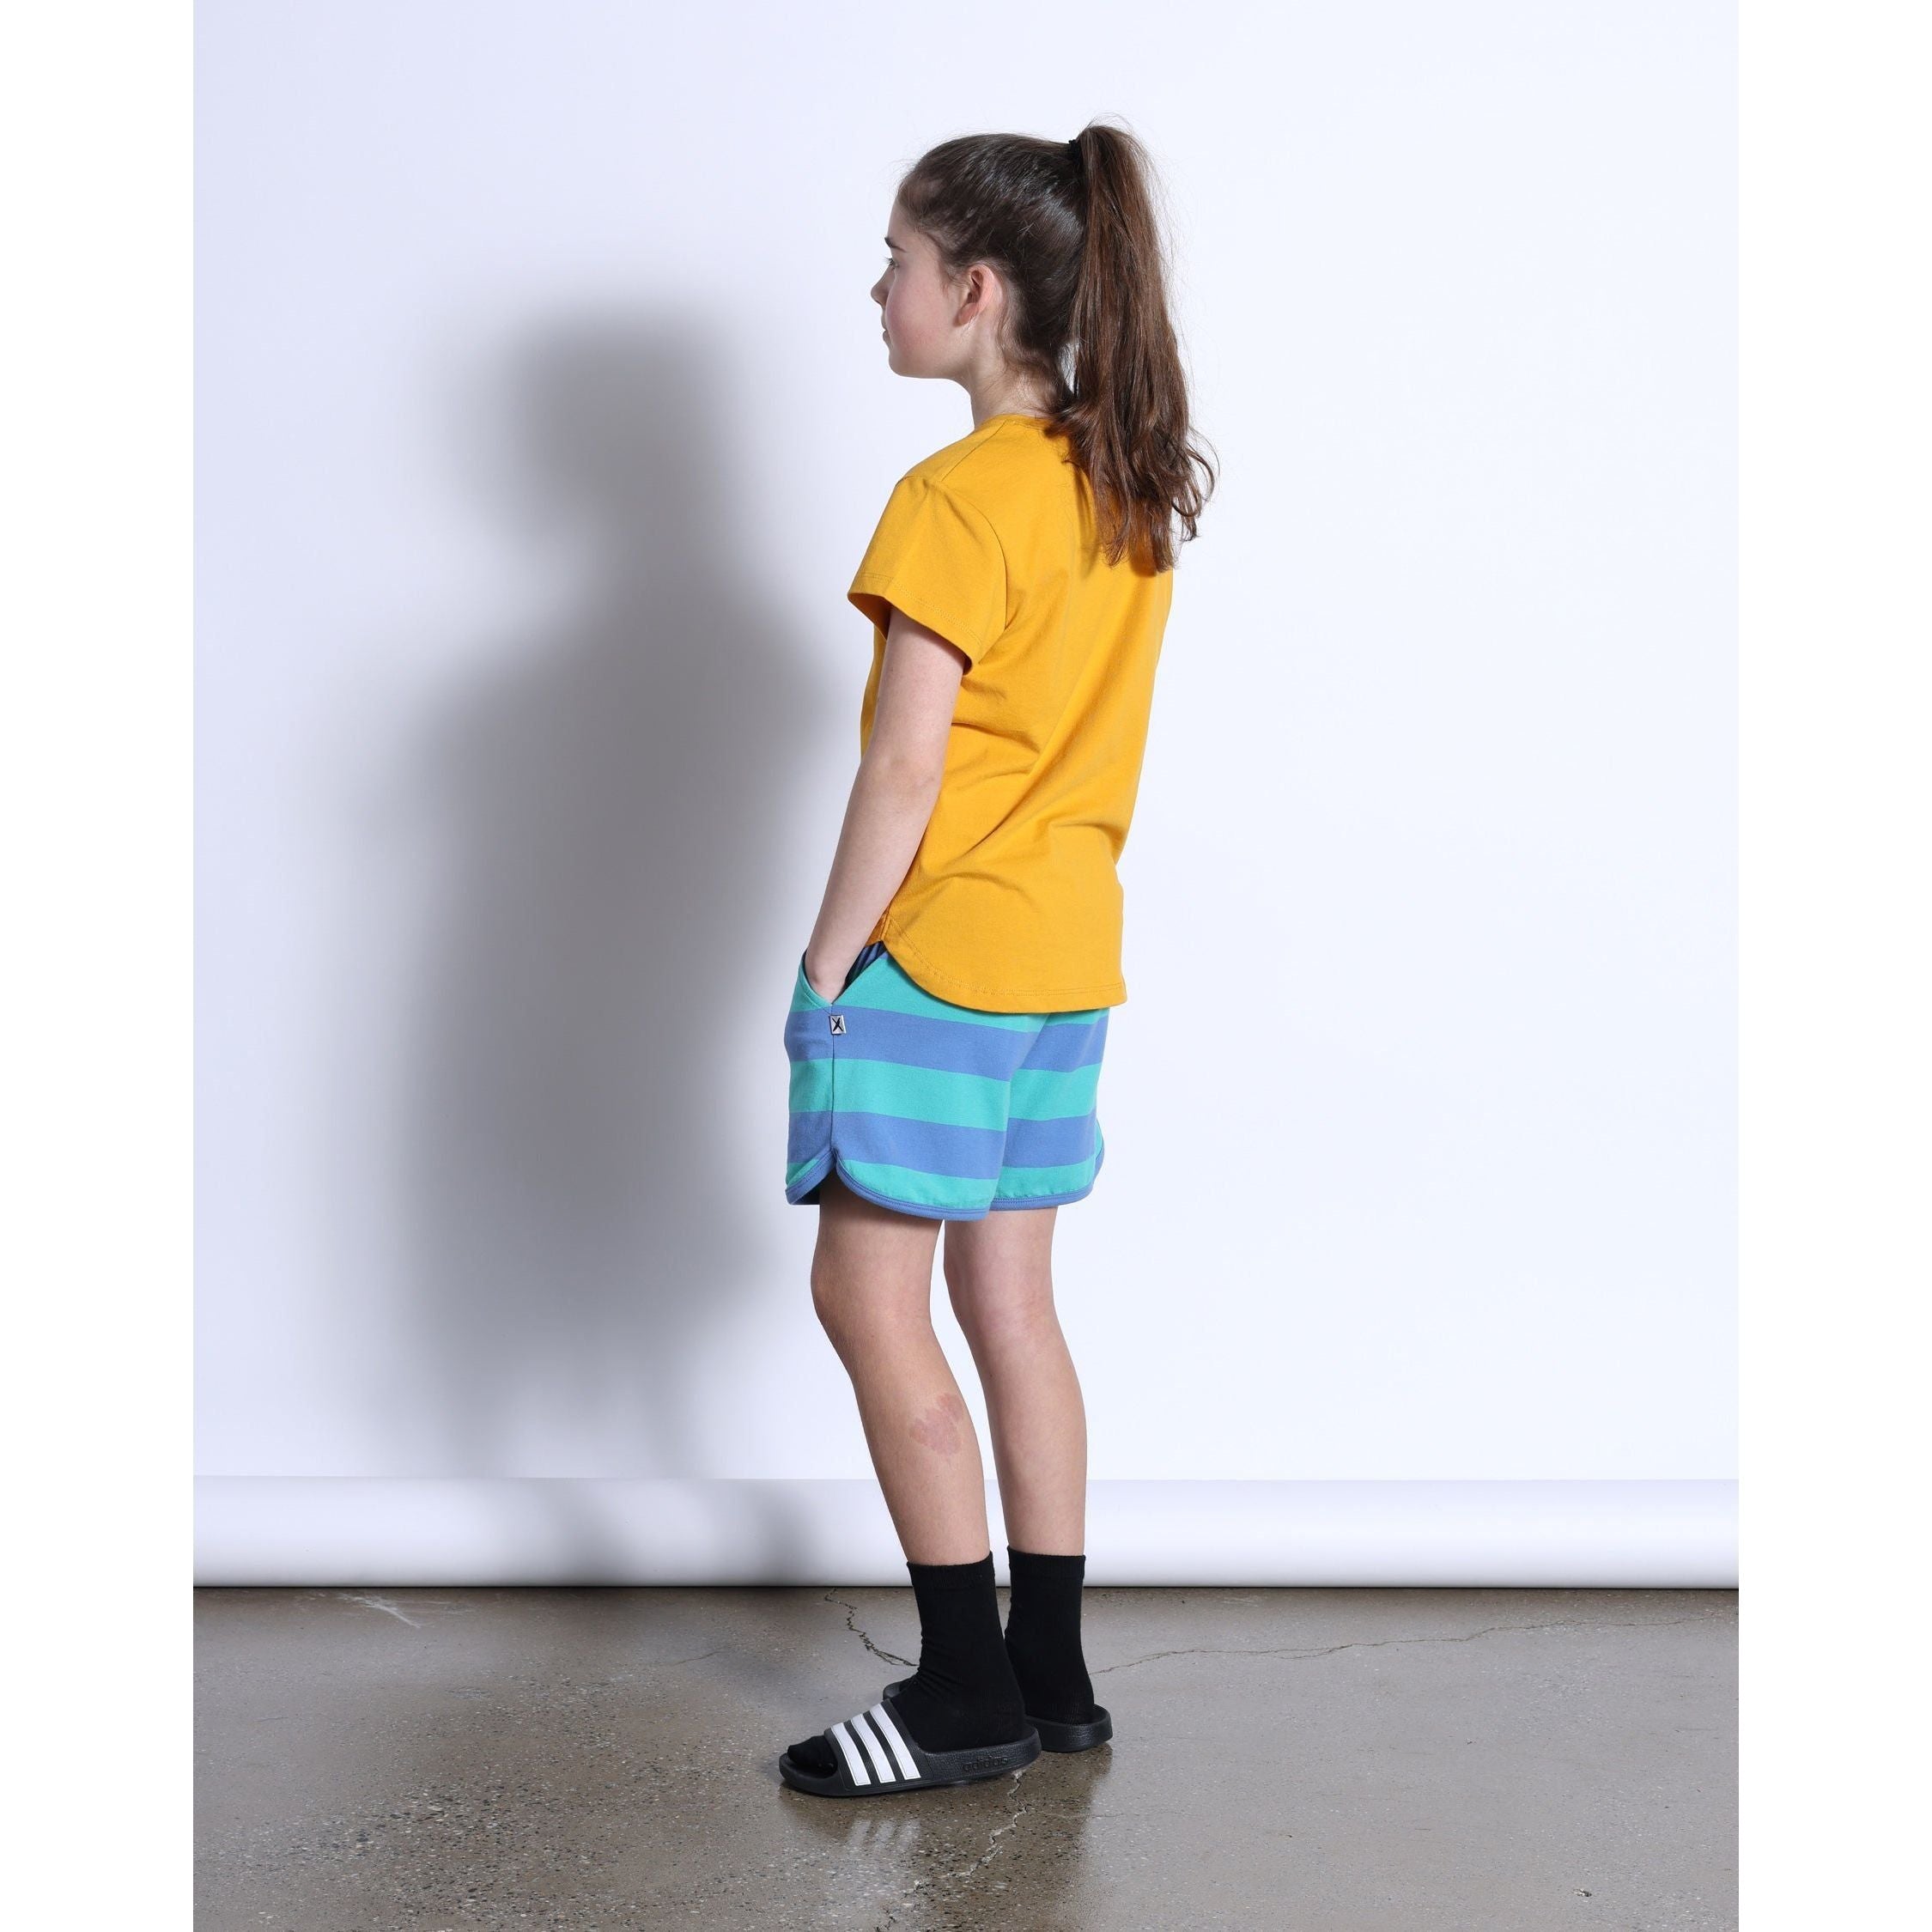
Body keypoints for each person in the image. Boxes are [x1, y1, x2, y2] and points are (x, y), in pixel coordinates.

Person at [778, 121, 1214, 1798]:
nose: (874, 289)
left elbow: (903, 770)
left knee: (865, 1295)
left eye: (894, 260)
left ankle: (962, 1689)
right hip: (1065, 959)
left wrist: (825, 968)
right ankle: (1053, 1673)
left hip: (942, 955)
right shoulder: (1126, 488)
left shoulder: (951, 500)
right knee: (1012, 1302)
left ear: (973, 291)